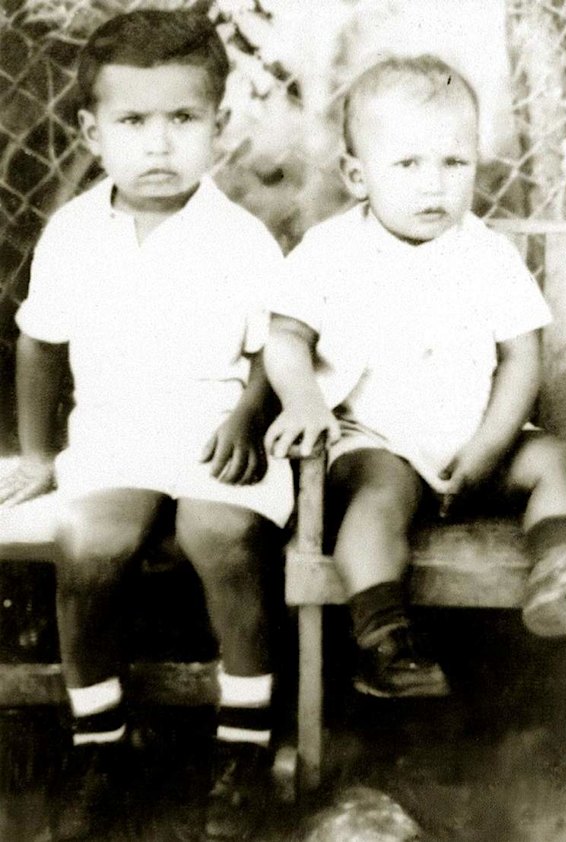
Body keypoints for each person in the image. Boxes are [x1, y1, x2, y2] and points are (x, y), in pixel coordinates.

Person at [0, 9, 293, 840]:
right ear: (92, 132)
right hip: (117, 435)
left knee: (220, 537)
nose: (159, 145)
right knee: (91, 545)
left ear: (218, 127)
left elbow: (278, 347)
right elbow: (40, 343)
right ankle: (102, 745)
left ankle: (242, 749)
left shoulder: (241, 239)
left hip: (216, 431)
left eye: (183, 119)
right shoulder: (72, 235)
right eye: (133, 122)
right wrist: (39, 452)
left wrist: (248, 416)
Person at [264, 54, 566, 700]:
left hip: (479, 439)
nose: (433, 186)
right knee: (378, 497)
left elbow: (520, 357)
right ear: (357, 174)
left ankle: (561, 566)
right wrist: (302, 401)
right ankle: (385, 636)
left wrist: (489, 447)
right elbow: (286, 336)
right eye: (408, 165)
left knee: (556, 458)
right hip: (378, 442)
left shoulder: (487, 255)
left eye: (453, 163)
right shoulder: (330, 251)